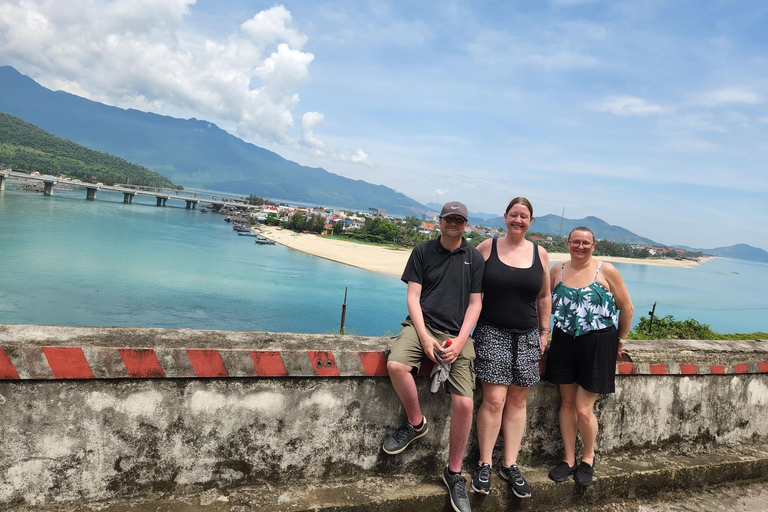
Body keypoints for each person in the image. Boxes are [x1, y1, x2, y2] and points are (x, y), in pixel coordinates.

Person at [382, 201, 484, 512]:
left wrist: (460, 341)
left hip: (457, 334)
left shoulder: (474, 257)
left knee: (465, 402)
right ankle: (416, 423)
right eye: (448, 218)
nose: (453, 223)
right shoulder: (422, 251)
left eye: (459, 219)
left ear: (465, 225)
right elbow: (413, 296)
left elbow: (475, 304)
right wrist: (424, 335)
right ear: (439, 222)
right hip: (421, 325)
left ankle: (454, 473)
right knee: (397, 364)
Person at [470, 197, 551, 499]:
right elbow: (470, 289)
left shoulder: (539, 253)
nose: (518, 220)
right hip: (492, 332)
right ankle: (484, 463)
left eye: (524, 216)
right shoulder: (486, 248)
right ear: (505, 217)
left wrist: (545, 331)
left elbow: (544, 297)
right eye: (514, 215)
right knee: (493, 400)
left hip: (528, 335)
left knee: (518, 402)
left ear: (531, 221)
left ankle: (510, 464)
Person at [546, 226, 634, 487]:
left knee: (584, 409)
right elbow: (544, 303)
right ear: (568, 243)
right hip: (563, 341)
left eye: (586, 243)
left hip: (598, 343)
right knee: (567, 402)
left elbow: (626, 307)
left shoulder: (605, 270)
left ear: (593, 246)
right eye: (576, 242)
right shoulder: (557, 270)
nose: (580, 246)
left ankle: (588, 457)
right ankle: (569, 458)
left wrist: (621, 341)